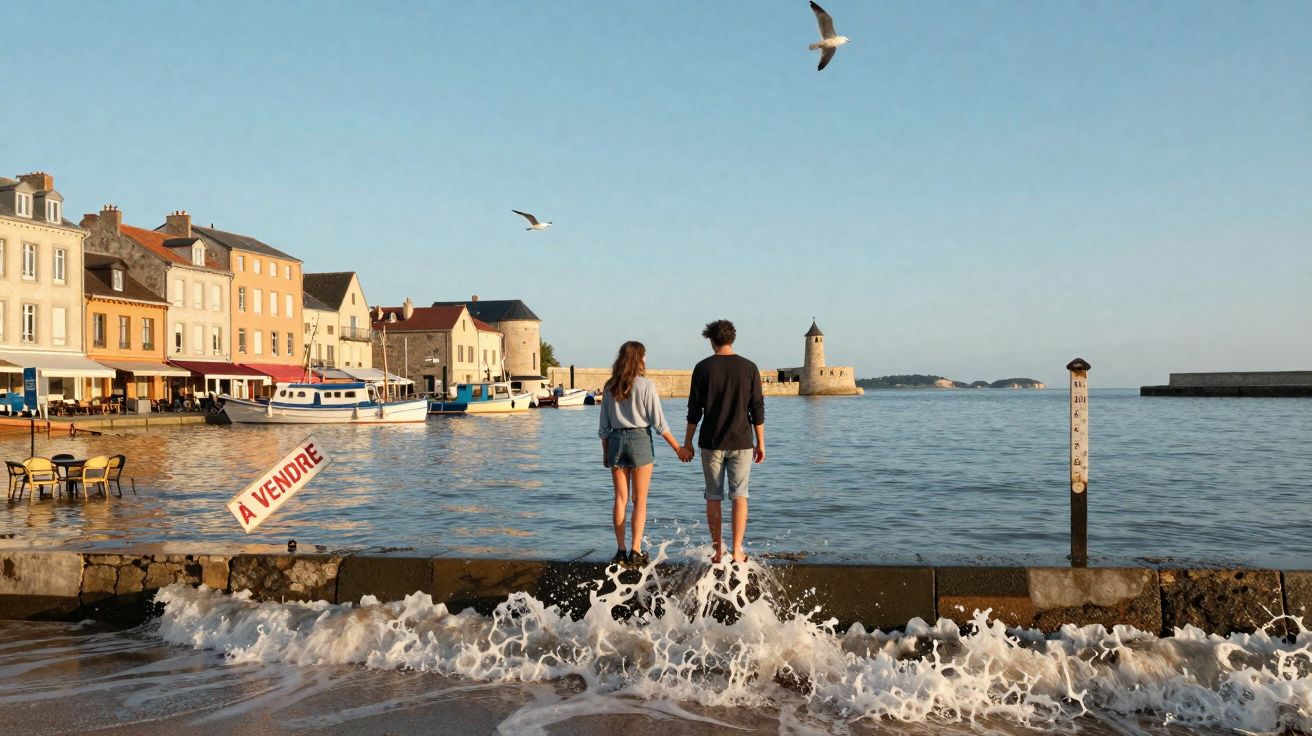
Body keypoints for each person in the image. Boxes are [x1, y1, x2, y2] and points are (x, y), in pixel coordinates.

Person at [599, 341, 693, 567]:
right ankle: (635, 550)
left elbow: (603, 427)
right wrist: (678, 448)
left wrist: (606, 454)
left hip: (615, 441)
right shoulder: (646, 385)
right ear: (639, 359)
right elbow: (659, 424)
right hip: (639, 440)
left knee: (620, 499)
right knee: (639, 499)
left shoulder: (610, 386)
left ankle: (620, 551)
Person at [683, 320, 765, 564]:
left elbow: (694, 410)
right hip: (742, 441)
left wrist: (687, 442)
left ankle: (718, 552)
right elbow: (757, 409)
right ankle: (737, 551)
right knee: (740, 495)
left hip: (711, 441)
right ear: (732, 338)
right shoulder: (750, 367)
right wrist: (761, 443)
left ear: (712, 340)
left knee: (713, 497)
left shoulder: (703, 368)